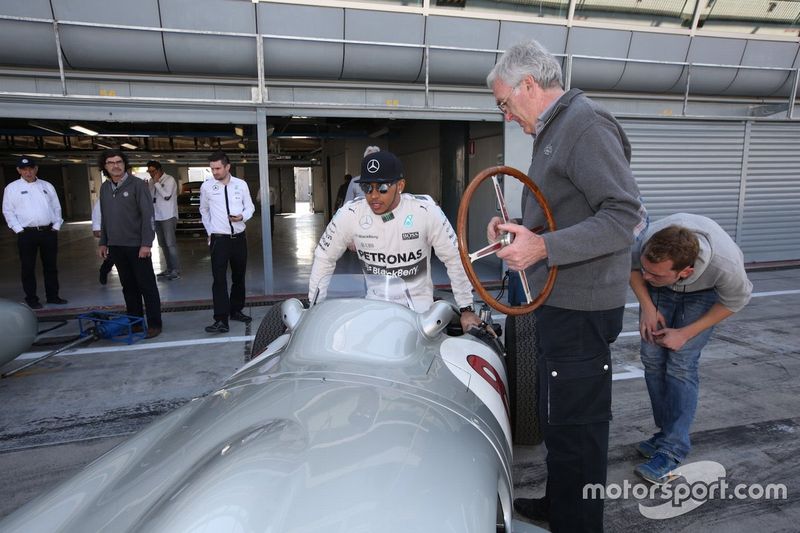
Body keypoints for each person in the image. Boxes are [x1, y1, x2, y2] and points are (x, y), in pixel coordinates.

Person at [485, 40, 646, 532]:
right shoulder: (557, 129)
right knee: (560, 420)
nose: (507, 115)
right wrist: (518, 230)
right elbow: (564, 212)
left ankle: (579, 522)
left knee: (580, 428)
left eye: (505, 104)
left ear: (528, 86)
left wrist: (543, 249)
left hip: (582, 308)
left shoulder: (586, 125)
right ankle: (561, 506)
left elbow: (624, 216)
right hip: (561, 300)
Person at [630, 213, 752, 483]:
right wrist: (647, 309)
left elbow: (736, 300)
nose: (646, 276)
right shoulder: (647, 243)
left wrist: (685, 333)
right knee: (651, 357)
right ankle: (665, 433)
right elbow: (635, 271)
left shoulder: (725, 266)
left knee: (680, 363)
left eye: (655, 272)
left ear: (685, 272)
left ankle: (673, 449)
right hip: (662, 292)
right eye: (646, 268)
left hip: (704, 293)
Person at [308, 150, 481, 332]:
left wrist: (466, 309)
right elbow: (324, 258)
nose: (373, 195)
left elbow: (454, 258)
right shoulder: (350, 214)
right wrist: (312, 311)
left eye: (382, 187)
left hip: (419, 314)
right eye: (367, 187)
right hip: (374, 309)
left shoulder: (425, 211)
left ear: (400, 185)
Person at [97, 149, 162, 339]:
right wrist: (103, 242)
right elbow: (105, 217)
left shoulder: (137, 185)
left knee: (146, 286)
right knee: (128, 287)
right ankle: (135, 323)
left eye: (119, 162)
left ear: (125, 164)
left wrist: (146, 244)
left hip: (137, 246)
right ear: (105, 166)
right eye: (111, 162)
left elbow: (148, 215)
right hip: (116, 246)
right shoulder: (105, 188)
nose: (115, 165)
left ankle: (154, 324)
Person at [199, 151, 255, 333]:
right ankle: (221, 319)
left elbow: (250, 207)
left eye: (217, 168)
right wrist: (210, 231)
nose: (214, 172)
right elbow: (204, 211)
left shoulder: (241, 185)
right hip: (219, 240)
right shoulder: (207, 187)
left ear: (227, 167)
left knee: (239, 277)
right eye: (212, 168)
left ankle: (236, 310)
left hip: (239, 239)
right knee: (219, 280)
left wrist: (242, 217)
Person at [2, 156, 68, 309]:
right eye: (24, 169)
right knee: (28, 267)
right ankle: (31, 299)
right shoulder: (12, 188)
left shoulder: (47, 186)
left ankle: (53, 296)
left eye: (31, 168)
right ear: (19, 170)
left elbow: (56, 207)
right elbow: (8, 211)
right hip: (26, 234)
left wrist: (56, 226)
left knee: (51, 266)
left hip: (48, 232)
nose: (28, 172)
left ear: (36, 169)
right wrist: (18, 230)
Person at [146, 160, 180, 280]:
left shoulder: (169, 180)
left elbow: (166, 196)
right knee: (163, 244)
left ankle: (175, 270)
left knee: (170, 244)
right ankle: (169, 269)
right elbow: (150, 199)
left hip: (168, 216)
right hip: (157, 216)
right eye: (149, 171)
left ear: (159, 170)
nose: (151, 174)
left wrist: (156, 183)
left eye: (153, 171)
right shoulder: (150, 181)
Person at [91, 200, 114, 285]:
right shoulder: (107, 193)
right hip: (112, 231)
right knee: (114, 255)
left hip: (130, 231)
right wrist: (96, 227)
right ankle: (104, 270)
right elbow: (97, 211)